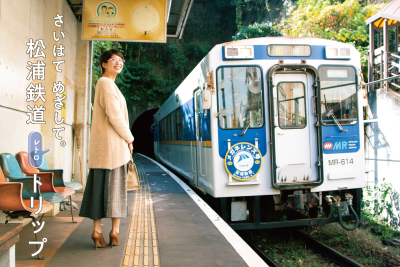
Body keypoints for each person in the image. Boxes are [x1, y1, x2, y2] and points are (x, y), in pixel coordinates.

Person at [79, 50, 134, 249]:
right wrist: (130, 138)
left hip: (104, 151)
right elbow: (115, 116)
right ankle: (115, 232)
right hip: (114, 151)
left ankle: (97, 232)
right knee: (116, 193)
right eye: (114, 60)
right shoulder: (106, 83)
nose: (118, 63)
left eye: (121, 60)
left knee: (99, 192)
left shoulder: (108, 84)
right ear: (104, 64)